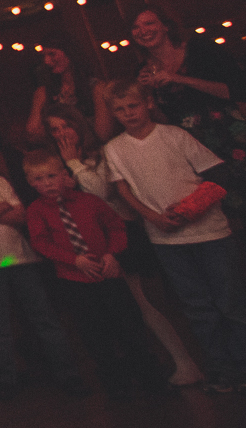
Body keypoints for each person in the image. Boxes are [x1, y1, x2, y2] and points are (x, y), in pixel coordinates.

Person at [42, 103, 203, 386]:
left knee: (145, 304)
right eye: (54, 129)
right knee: (121, 310)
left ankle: (186, 362)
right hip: (90, 243)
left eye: (65, 125)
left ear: (78, 124)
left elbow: (102, 192)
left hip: (122, 234)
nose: (62, 133)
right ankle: (150, 366)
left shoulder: (101, 153)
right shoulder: (55, 165)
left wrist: (74, 164)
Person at [103, 81, 246, 394]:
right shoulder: (114, 148)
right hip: (166, 240)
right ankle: (221, 369)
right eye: (120, 109)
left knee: (230, 301)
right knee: (197, 307)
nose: (128, 113)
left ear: (148, 103)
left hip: (210, 233)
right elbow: (123, 189)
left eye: (133, 105)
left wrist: (191, 209)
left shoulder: (175, 136)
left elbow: (217, 174)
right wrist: (153, 217)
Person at [0, 127, 89, 400]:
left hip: (21, 257)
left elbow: (21, 215)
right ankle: (5, 384)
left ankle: (68, 376)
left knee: (44, 318)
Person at [21, 150, 167, 397]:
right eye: (38, 179)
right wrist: (73, 260)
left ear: (64, 175)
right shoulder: (36, 211)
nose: (47, 183)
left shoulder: (89, 201)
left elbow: (116, 227)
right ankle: (116, 383)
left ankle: (149, 378)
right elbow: (41, 242)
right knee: (93, 332)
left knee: (129, 326)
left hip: (108, 274)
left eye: (51, 176)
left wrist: (112, 254)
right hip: (75, 281)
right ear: (30, 182)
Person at [131, 7, 246, 172]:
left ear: (166, 26)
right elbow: (165, 122)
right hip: (195, 147)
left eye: (149, 23)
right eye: (135, 27)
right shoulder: (143, 71)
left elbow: (236, 90)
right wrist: (147, 93)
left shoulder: (200, 49)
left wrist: (179, 78)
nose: (143, 31)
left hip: (232, 133)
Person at [23, 33, 113, 145]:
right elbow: (32, 134)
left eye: (52, 54)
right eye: (44, 56)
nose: (46, 61)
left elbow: (103, 135)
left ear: (70, 52)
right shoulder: (43, 92)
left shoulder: (96, 87)